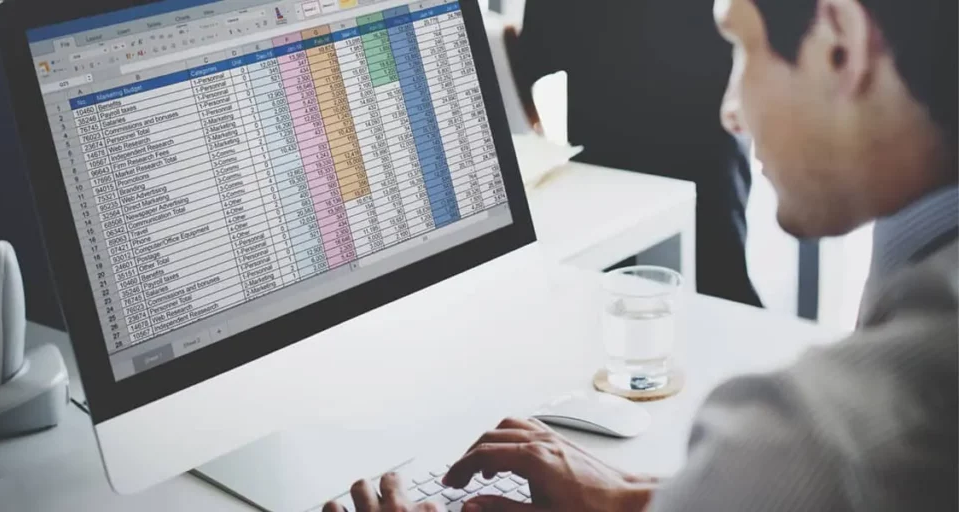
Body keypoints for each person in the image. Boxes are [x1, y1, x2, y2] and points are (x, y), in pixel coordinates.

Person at [323, 0, 958, 509]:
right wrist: (640, 504)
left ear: (841, 45)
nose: (731, 111)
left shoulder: (820, 442)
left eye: (739, 47)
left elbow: (818, 471)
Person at [508, 0, 763, 307]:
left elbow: (521, 64)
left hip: (687, 179)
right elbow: (523, 65)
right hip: (621, 192)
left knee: (712, 290)